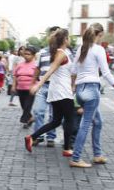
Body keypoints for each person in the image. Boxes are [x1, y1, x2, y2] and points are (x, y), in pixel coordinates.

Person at [68, 23, 114, 168]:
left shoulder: (81, 49)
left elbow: (73, 70)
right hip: (92, 89)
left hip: (80, 90)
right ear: (99, 35)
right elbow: (106, 72)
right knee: (85, 125)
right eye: (102, 35)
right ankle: (76, 158)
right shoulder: (98, 49)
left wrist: (73, 87)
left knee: (98, 121)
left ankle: (98, 154)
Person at [24, 29, 77, 157]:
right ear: (65, 39)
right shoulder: (61, 53)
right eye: (68, 38)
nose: (69, 40)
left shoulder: (62, 53)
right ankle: (67, 148)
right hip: (62, 91)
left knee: (56, 121)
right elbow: (50, 71)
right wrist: (38, 85)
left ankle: (31, 137)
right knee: (70, 118)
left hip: (58, 91)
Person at [33, 26, 61, 148]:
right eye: (54, 34)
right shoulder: (42, 52)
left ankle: (51, 137)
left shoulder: (63, 53)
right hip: (43, 86)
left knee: (52, 115)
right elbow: (38, 69)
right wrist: (34, 83)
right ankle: (38, 136)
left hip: (56, 88)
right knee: (38, 111)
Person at [12, 46, 37, 128]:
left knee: (27, 105)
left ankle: (25, 120)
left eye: (28, 54)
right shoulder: (20, 65)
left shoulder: (36, 65)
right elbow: (15, 76)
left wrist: (36, 86)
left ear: (33, 55)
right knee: (23, 105)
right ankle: (30, 118)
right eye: (25, 54)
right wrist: (13, 86)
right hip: (20, 89)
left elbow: (38, 77)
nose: (26, 56)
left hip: (31, 89)